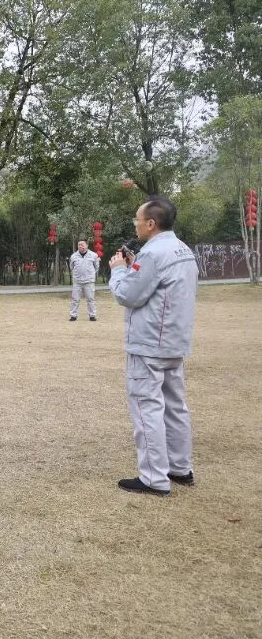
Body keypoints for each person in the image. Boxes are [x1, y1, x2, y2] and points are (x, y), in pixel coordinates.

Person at [108, 198, 199, 496]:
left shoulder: (153, 254)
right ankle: (180, 467)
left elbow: (128, 295)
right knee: (175, 406)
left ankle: (153, 477)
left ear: (151, 223)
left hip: (149, 343)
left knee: (147, 407)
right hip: (175, 340)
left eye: (137, 219)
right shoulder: (183, 250)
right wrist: (135, 265)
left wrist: (119, 270)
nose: (135, 224)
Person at [69, 240, 100, 321]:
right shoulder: (73, 256)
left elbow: (96, 267)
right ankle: (73, 315)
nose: (80, 246)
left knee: (90, 299)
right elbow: (71, 267)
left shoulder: (93, 255)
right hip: (77, 282)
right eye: (79, 245)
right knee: (75, 299)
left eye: (82, 244)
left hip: (89, 281)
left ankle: (92, 315)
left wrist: (90, 275)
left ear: (87, 245)